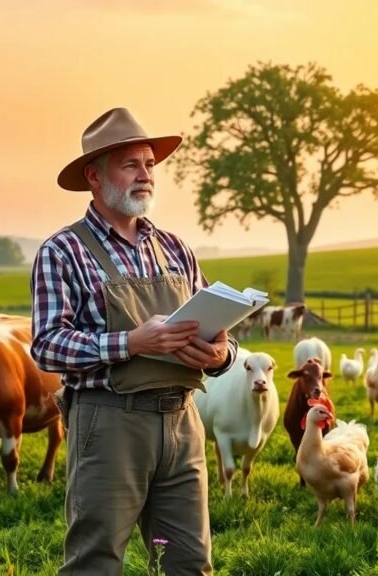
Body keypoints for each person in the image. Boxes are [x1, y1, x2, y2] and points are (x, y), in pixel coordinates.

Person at [31, 107, 236, 576]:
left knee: (190, 562)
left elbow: (220, 332)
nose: (146, 175)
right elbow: (46, 344)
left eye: (149, 165)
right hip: (108, 423)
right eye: (130, 165)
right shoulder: (62, 251)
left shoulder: (175, 248)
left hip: (183, 421)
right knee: (96, 561)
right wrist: (130, 342)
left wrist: (222, 353)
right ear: (95, 177)